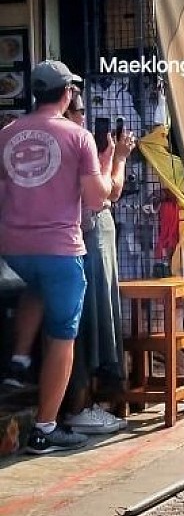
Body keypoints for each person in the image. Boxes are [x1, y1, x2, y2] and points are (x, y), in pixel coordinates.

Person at [0, 61, 114, 453]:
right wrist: (108, 161)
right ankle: (45, 428)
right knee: (63, 335)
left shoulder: (7, 133)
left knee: (37, 288)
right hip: (60, 248)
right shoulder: (77, 137)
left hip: (13, 248)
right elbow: (98, 199)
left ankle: (19, 361)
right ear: (67, 93)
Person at [60, 96, 136, 435]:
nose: (85, 117)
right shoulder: (76, 143)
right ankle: (79, 406)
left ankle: (81, 404)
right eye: (79, 110)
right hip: (86, 237)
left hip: (65, 240)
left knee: (81, 320)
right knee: (90, 319)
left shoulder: (47, 142)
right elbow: (109, 192)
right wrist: (117, 159)